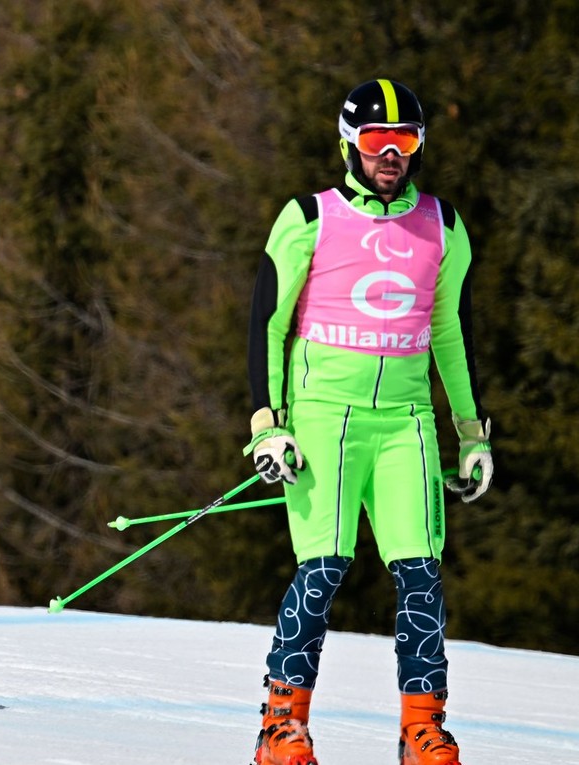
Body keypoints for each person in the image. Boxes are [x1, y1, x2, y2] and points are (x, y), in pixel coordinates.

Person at [243, 79, 492, 765]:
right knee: (321, 568)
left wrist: (471, 431)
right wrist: (269, 423)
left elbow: (452, 333)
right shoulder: (308, 217)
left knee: (421, 572)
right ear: (349, 141)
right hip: (326, 419)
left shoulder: (441, 225)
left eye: (405, 140)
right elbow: (266, 321)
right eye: (378, 140)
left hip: (406, 421)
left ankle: (423, 727)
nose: (392, 154)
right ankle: (281, 724)